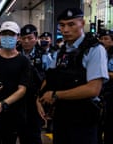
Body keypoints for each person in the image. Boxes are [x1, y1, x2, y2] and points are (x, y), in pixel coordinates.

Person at [37, 8, 109, 144]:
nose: (65, 30)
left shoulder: (94, 50)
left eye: (71, 24)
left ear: (82, 23)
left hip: (84, 120)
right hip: (62, 118)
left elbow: (93, 89)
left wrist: (55, 95)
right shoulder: (61, 51)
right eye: (62, 25)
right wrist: (40, 97)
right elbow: (50, 78)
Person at [0, 21, 30, 144]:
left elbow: (22, 89)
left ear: (18, 37)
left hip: (13, 111)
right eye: (4, 34)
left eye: (12, 34)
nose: (7, 37)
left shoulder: (23, 61)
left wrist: (3, 104)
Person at [16, 24, 43, 144]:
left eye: (30, 38)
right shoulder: (14, 53)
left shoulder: (43, 55)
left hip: (35, 98)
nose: (26, 41)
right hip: (17, 97)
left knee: (34, 133)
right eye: (23, 38)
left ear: (36, 38)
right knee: (20, 131)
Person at [98, 29, 113, 144]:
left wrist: (103, 73)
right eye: (101, 38)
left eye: (106, 39)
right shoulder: (97, 53)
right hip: (99, 92)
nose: (103, 41)